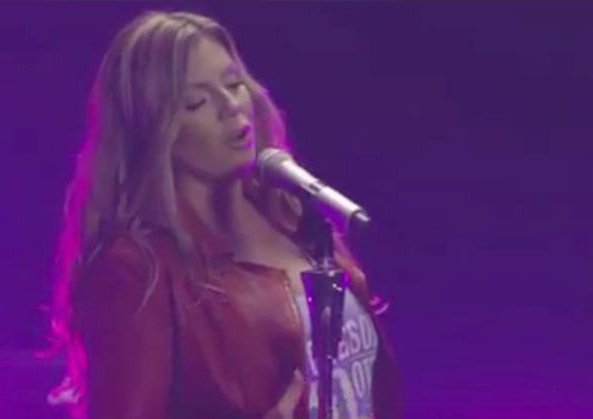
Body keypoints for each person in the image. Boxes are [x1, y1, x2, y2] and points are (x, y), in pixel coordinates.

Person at [48, 10, 400, 419]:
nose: (231, 107)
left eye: (234, 85)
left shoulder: (296, 221)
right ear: (153, 128)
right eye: (196, 102)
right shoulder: (138, 268)